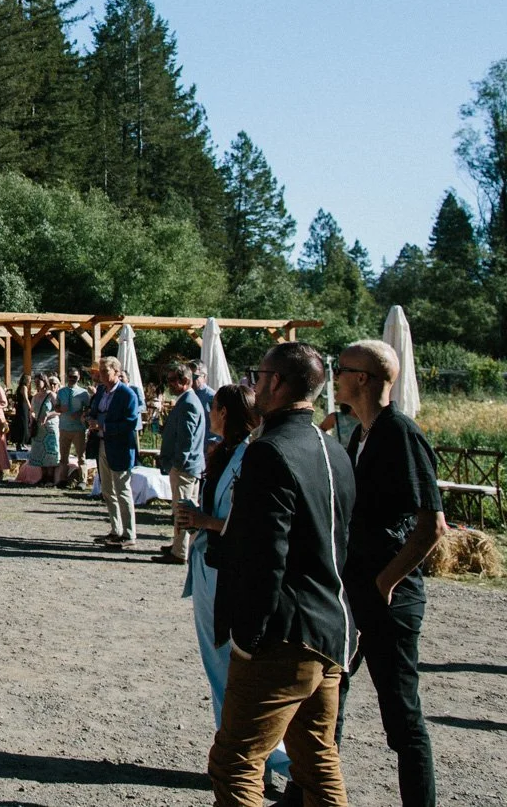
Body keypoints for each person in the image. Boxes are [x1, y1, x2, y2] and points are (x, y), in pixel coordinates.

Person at [208, 343, 354, 807]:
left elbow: (265, 554)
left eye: (259, 375)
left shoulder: (269, 452)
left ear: (276, 382)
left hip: (283, 635)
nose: (252, 385)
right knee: (316, 760)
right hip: (331, 626)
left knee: (236, 762)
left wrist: (249, 638)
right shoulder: (333, 449)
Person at [331, 339, 443, 807]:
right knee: (327, 693)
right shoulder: (361, 433)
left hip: (388, 598)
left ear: (362, 379)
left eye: (341, 368)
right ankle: (309, 792)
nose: (334, 376)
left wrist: (386, 581)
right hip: (356, 590)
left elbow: (432, 525)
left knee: (401, 716)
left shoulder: (401, 434)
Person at [176, 384, 292, 784]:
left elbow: (253, 525)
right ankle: (238, 752)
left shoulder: (249, 457)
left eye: (214, 408)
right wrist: (198, 515)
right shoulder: (223, 453)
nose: (210, 413)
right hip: (210, 565)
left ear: (223, 411)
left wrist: (204, 521)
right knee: (219, 667)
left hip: (230, 570)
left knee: (230, 669)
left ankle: (263, 760)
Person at [155, 363, 207, 566]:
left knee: (182, 510)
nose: (169, 385)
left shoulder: (188, 403)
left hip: (185, 467)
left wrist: (178, 463)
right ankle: (181, 545)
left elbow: (186, 438)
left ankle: (180, 551)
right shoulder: (188, 400)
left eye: (171, 380)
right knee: (186, 508)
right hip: (190, 465)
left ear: (184, 381)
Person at [91, 357, 141, 550]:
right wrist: (90, 417)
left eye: (105, 371)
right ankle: (116, 529)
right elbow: (95, 410)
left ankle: (129, 533)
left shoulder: (127, 395)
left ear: (116, 372)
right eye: (100, 372)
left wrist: (103, 425)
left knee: (122, 490)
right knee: (107, 490)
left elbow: (130, 423)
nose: (101, 375)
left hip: (119, 447)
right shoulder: (102, 392)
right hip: (102, 444)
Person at [56, 368, 90, 488]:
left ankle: (82, 481)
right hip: (64, 427)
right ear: (67, 377)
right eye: (70, 376)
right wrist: (60, 409)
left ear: (79, 377)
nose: (72, 379)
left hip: (78, 428)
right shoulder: (61, 392)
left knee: (81, 456)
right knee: (63, 456)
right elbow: (56, 407)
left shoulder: (83, 393)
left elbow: (89, 409)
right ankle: (63, 479)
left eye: (74, 377)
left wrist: (81, 412)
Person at [28, 374, 62, 483]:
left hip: (50, 427)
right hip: (39, 427)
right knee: (40, 451)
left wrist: (48, 414)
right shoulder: (35, 396)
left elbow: (59, 410)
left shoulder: (51, 395)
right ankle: (43, 476)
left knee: (50, 450)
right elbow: (32, 411)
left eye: (39, 381)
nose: (37, 383)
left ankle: (50, 476)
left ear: (45, 381)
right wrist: (31, 420)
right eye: (36, 382)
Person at [11, 374, 31, 451]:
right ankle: (21, 442)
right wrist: (30, 408)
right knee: (23, 424)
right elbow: (26, 398)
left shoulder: (20, 387)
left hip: (20, 407)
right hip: (23, 407)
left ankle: (21, 443)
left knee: (21, 423)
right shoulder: (24, 387)